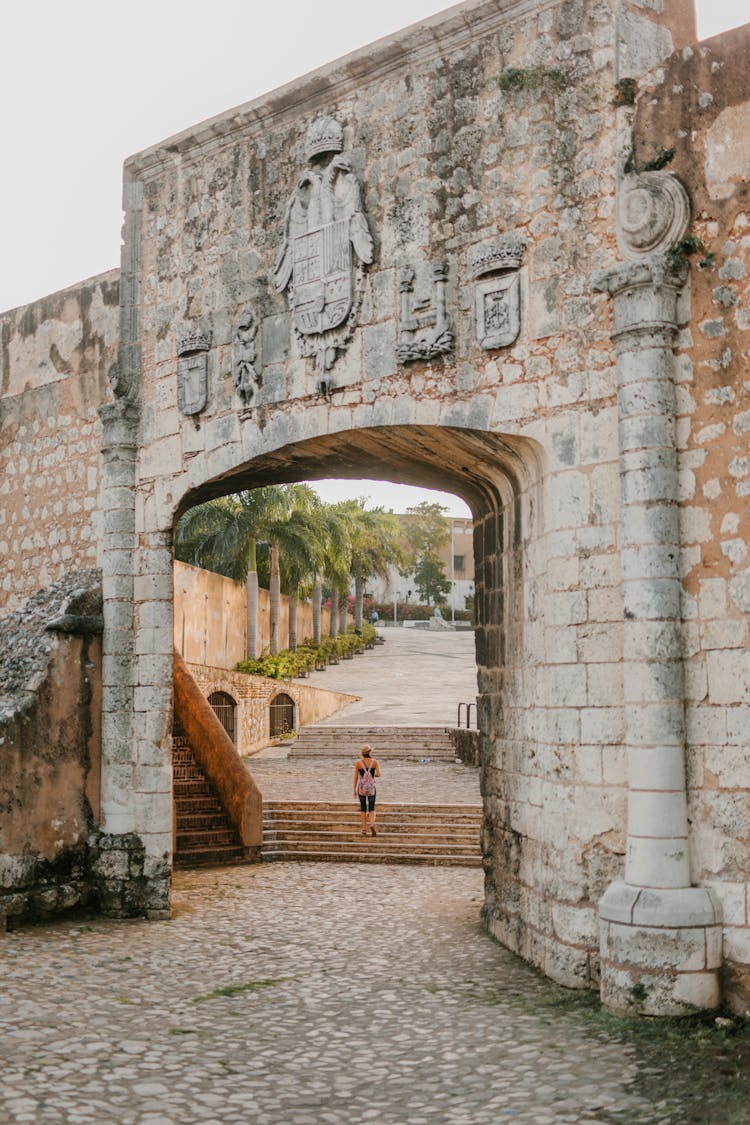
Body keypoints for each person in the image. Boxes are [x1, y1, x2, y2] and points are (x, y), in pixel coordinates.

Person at [353, 744, 380, 837]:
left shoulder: (358, 763)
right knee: (372, 808)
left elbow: (356, 777)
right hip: (371, 788)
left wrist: (354, 789)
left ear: (362, 753)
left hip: (361, 788)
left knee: (363, 809)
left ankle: (364, 830)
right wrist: (371, 776)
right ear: (370, 752)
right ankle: (372, 824)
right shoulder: (375, 762)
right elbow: (379, 774)